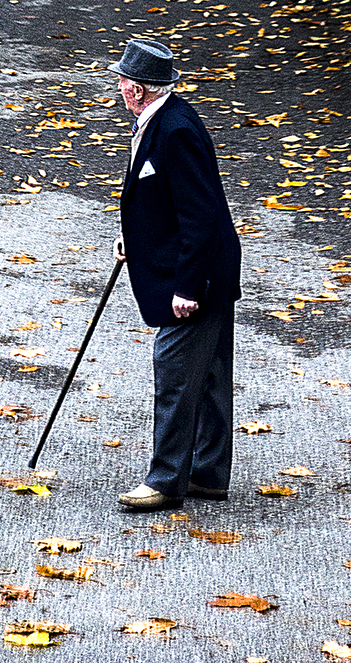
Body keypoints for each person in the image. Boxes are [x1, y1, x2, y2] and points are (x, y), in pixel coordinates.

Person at [110, 35, 242, 513]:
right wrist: (137, 240)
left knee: (174, 373)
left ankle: (166, 480)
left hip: (200, 278)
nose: (120, 89)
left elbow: (201, 215)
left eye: (124, 83)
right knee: (207, 377)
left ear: (140, 90)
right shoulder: (159, 120)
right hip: (205, 268)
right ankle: (208, 474)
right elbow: (160, 200)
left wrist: (188, 287)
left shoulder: (175, 129)